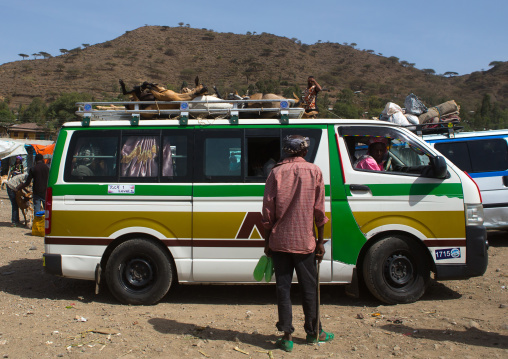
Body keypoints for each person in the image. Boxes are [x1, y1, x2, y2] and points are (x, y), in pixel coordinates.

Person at [261, 135, 334, 352]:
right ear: (303, 152)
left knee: (283, 289)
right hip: (305, 241)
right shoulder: (314, 171)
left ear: (286, 151)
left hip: (280, 241)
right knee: (309, 288)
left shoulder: (275, 173)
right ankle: (314, 332)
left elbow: (267, 212)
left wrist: (267, 242)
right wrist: (320, 242)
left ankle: (287, 336)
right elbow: (319, 211)